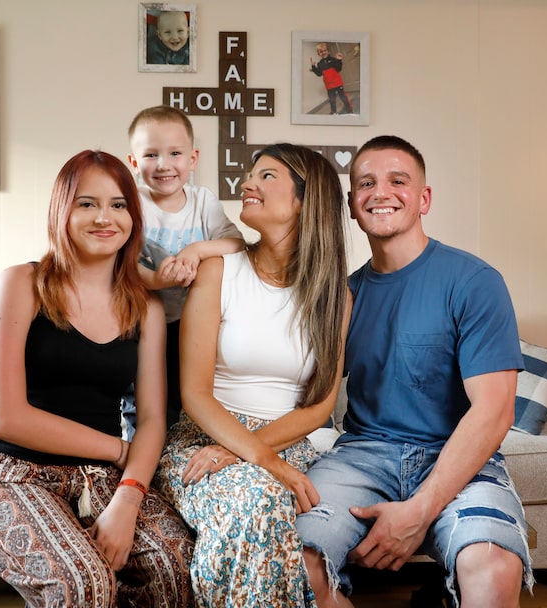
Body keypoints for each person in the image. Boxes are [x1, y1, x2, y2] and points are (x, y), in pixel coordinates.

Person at [296, 135, 533, 608]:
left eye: (397, 181)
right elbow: (304, 399)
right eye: (366, 183)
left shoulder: (473, 281)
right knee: (290, 562)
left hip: (458, 458)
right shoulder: (342, 296)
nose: (380, 192)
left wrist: (420, 510)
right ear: (351, 205)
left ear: (423, 198)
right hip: (361, 458)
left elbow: (494, 411)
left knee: (493, 569)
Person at [0, 150, 194, 608]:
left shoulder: (144, 308)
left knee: (176, 570)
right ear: (62, 212)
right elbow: (7, 418)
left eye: (118, 204)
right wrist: (117, 449)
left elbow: (150, 419)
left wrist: (128, 497)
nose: (104, 217)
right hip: (15, 472)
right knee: (85, 585)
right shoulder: (22, 283)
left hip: (106, 479)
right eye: (86, 204)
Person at [153, 143, 352, 607]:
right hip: (198, 439)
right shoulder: (218, 271)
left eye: (267, 176)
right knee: (258, 499)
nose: (247, 184)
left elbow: (320, 406)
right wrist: (257, 457)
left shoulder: (335, 296)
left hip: (283, 441)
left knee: (257, 499)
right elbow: (195, 394)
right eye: (249, 175)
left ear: (306, 200)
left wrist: (245, 451)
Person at [127, 105, 244, 430]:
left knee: (189, 395)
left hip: (193, 324)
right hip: (143, 322)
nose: (164, 165)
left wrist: (197, 250)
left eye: (174, 153)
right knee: (146, 401)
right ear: (134, 163)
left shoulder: (202, 201)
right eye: (151, 155)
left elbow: (237, 245)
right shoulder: (134, 205)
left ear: (192, 159)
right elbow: (122, 263)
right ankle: (140, 452)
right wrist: (155, 279)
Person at [309, 42, 354, 115]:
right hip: (329, 86)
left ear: (328, 51)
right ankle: (334, 112)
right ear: (318, 54)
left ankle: (349, 109)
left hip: (338, 83)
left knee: (343, 97)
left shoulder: (333, 60)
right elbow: (319, 74)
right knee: (332, 100)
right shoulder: (320, 64)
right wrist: (313, 67)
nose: (323, 52)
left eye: (325, 50)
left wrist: (339, 60)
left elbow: (338, 69)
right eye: (321, 51)